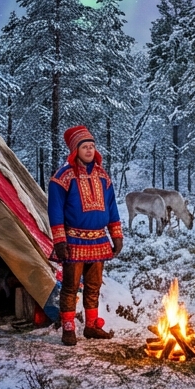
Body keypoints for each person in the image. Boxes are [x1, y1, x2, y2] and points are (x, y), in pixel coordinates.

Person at [47, 125, 123, 345]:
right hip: (74, 239)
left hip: (99, 239)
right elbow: (55, 211)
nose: (89, 150)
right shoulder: (62, 177)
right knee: (70, 286)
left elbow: (112, 206)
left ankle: (91, 326)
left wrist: (116, 235)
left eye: (92, 146)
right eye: (85, 147)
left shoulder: (102, 176)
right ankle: (69, 328)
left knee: (94, 285)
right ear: (75, 150)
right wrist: (60, 241)